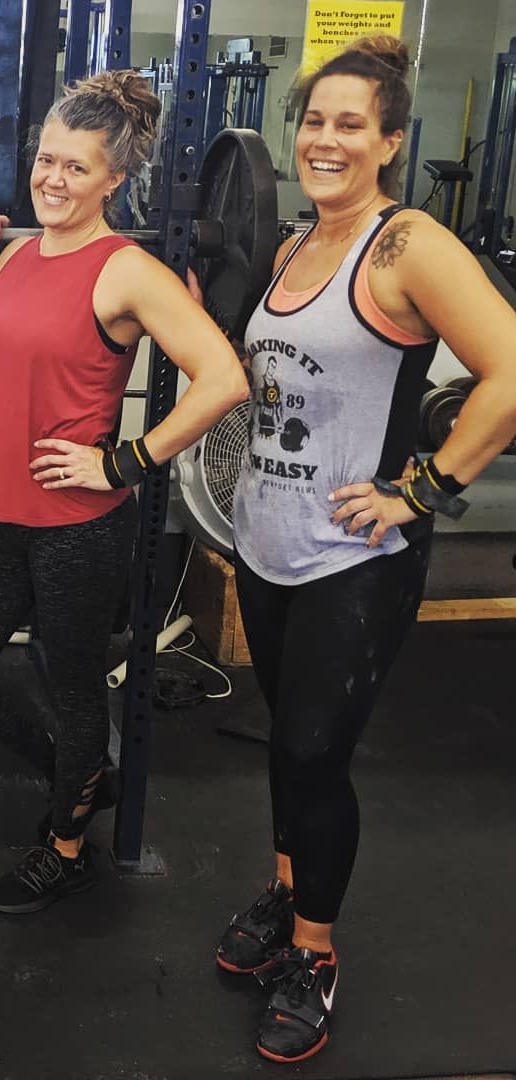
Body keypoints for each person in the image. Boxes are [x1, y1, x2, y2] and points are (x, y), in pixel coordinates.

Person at [209, 36, 516, 1064]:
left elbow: (510, 374)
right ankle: (288, 885)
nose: (325, 140)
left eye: (352, 124)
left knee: (312, 753)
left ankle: (315, 952)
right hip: (266, 540)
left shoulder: (407, 242)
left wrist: (422, 490)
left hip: (355, 557)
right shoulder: (297, 242)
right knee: (284, 742)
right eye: (315, 121)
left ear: (390, 140)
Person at [0, 71, 249, 915]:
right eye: (45, 161)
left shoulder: (127, 270)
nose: (53, 179)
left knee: (70, 684)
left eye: (76, 168)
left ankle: (65, 845)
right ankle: (81, 774)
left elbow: (222, 378)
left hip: (80, 524)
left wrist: (124, 463)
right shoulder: (20, 254)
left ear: (114, 180)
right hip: (3, 515)